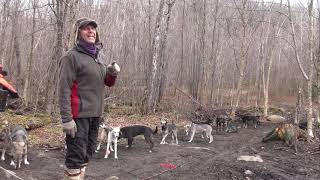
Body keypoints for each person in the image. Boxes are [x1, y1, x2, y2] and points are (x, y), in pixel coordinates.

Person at [58, 18, 120, 180]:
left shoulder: (98, 57)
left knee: (87, 153)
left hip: (95, 116)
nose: (91, 31)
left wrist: (112, 73)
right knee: (75, 157)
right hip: (78, 117)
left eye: (93, 28)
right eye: (86, 28)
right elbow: (63, 89)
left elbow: (106, 82)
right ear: (78, 33)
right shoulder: (71, 57)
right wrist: (67, 119)